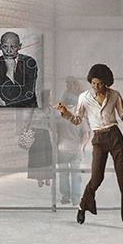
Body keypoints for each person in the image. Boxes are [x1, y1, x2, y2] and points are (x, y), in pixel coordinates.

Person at [56, 63, 123, 230]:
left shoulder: (114, 95)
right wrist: (65, 112)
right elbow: (77, 120)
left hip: (115, 136)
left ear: (106, 82)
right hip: (98, 139)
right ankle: (83, 206)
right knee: (96, 178)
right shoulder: (84, 97)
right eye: (93, 83)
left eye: (99, 83)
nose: (96, 87)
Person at [55, 78, 88, 206]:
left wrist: (57, 147)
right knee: (75, 175)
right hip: (75, 148)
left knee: (63, 174)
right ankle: (76, 199)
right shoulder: (80, 118)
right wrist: (81, 145)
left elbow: (56, 135)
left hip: (63, 148)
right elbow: (85, 135)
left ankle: (65, 197)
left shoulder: (59, 119)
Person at [0, 31, 38, 108]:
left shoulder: (29, 62)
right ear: (0, 46)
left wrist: (4, 103)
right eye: (5, 47)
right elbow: (6, 94)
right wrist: (9, 71)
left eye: (13, 47)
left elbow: (28, 94)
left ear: (19, 46)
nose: (8, 51)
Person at [26, 89, 54, 188]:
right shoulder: (49, 110)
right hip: (44, 135)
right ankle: (48, 179)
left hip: (34, 134)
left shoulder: (34, 108)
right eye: (50, 95)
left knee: (37, 157)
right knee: (47, 157)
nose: (51, 97)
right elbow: (51, 125)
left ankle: (39, 179)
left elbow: (28, 121)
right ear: (47, 97)